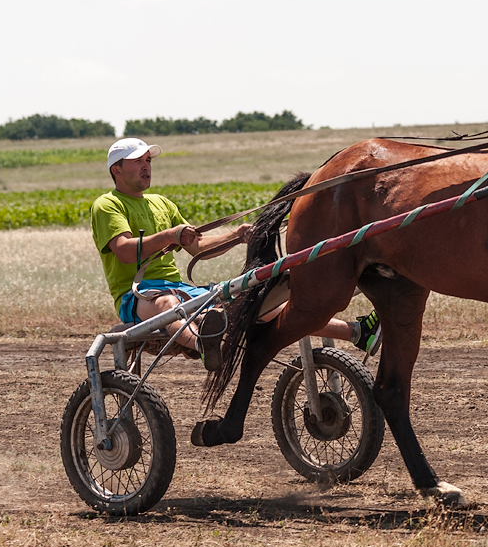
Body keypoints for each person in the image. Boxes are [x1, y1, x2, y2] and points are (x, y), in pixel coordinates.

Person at [91, 137, 379, 372]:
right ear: (116, 169)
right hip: (138, 296)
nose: (146, 167)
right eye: (138, 161)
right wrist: (169, 235)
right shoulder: (107, 205)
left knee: (255, 303)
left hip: (180, 291)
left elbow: (198, 248)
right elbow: (125, 252)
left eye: (148, 161)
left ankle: (357, 332)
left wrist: (236, 235)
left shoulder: (161, 203)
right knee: (167, 301)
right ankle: (205, 344)